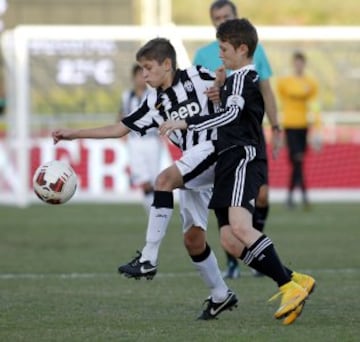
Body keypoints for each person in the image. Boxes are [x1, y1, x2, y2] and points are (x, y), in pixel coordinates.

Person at [52, 37, 238, 320]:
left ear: (167, 64)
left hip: (217, 151)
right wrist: (73, 134)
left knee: (162, 181)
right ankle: (221, 295)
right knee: (193, 240)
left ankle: (149, 258)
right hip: (195, 164)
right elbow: (119, 128)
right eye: (141, 69)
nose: (144, 74)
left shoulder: (197, 76)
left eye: (148, 67)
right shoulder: (154, 103)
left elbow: (231, 87)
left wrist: (222, 87)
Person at [159, 18, 315, 325]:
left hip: (242, 157)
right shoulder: (233, 80)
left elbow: (231, 115)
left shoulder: (246, 77)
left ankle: (288, 287)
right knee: (230, 240)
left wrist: (186, 122)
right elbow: (228, 114)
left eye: (224, 48)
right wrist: (218, 88)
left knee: (242, 228)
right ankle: (296, 279)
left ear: (242, 49)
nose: (220, 54)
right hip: (227, 159)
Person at [193, 0, 281, 279]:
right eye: (216, 18)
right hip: (221, 141)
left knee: (252, 207)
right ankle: (239, 260)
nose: (221, 21)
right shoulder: (204, 55)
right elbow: (205, 99)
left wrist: (276, 126)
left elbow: (263, 90)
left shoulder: (251, 55)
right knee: (229, 223)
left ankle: (278, 270)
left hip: (246, 140)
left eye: (226, 16)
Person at [277, 51, 321, 209]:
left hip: (303, 126)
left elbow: (315, 105)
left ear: (304, 64)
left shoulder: (311, 83)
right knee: (297, 160)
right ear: (293, 63)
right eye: (296, 62)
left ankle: (292, 198)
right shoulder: (285, 82)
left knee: (297, 163)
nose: (298, 65)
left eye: (301, 62)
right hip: (290, 126)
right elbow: (280, 101)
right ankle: (302, 196)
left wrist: (317, 126)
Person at [119, 64, 162, 214]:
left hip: (151, 140)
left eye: (144, 76)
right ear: (133, 78)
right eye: (139, 75)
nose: (141, 79)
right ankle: (151, 211)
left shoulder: (153, 95)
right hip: (134, 141)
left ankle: (156, 211)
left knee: (154, 179)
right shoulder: (126, 96)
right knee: (142, 180)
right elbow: (121, 115)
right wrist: (121, 133)